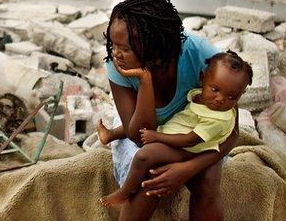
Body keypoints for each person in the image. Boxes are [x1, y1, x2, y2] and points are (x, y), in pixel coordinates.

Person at [93, 0, 238, 221]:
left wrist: (188, 170)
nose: (115, 52)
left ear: (155, 42)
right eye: (113, 44)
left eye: (124, 45)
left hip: (196, 138)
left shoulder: (201, 56)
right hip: (150, 137)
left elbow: (231, 130)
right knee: (150, 173)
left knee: (208, 182)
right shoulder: (119, 67)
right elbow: (137, 133)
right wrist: (142, 79)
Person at [98, 51, 252, 207]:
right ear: (202, 79)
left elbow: (190, 140)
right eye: (215, 90)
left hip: (189, 149)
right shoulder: (201, 96)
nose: (220, 99)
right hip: (177, 131)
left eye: (232, 97)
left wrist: (157, 136)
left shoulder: (218, 119)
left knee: (143, 156)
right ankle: (111, 134)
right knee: (140, 124)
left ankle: (125, 192)